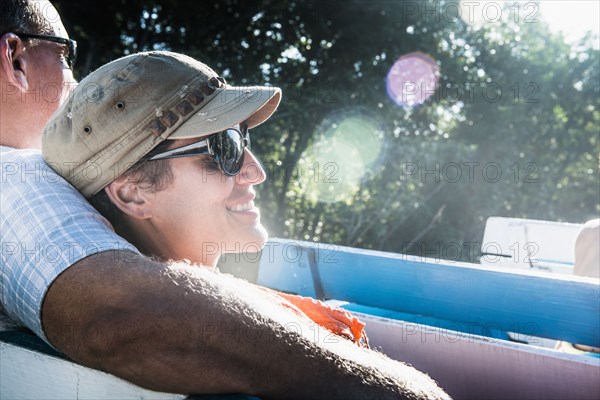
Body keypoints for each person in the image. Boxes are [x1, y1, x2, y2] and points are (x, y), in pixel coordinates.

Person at [1, 2, 450, 398]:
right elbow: (119, 315)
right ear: (133, 192)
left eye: (243, 137)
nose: (256, 170)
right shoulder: (14, 176)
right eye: (224, 149)